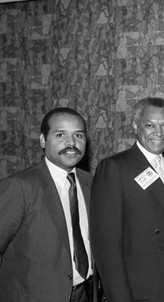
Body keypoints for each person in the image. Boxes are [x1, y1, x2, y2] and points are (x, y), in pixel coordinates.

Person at [90, 97, 164, 302]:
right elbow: (106, 246)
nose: (159, 133)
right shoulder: (115, 167)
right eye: (150, 125)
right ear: (136, 126)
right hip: (139, 291)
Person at [0, 107, 96, 301]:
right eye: (61, 135)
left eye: (78, 135)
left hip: (86, 293)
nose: (71, 143)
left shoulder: (91, 183)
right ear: (43, 140)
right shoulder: (19, 187)